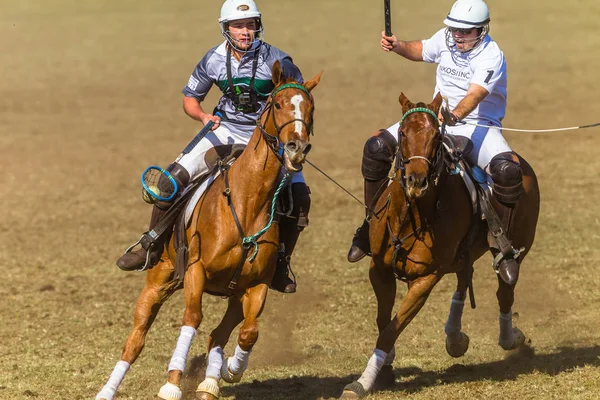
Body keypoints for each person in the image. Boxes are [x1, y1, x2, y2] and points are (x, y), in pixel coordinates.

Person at [116, 0, 310, 293]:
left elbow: (298, 99)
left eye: (249, 25)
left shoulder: (279, 60)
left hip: (266, 139)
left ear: (257, 26)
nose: (245, 31)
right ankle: (151, 246)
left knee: (299, 196)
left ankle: (280, 263)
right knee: (169, 184)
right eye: (238, 26)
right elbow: (190, 99)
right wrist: (203, 115)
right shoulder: (213, 59)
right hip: (223, 131)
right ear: (226, 29)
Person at [347, 0, 523, 285]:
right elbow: (422, 49)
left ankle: (502, 247)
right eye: (455, 30)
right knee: (376, 148)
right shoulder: (446, 39)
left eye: (465, 32)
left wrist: (454, 114)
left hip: (478, 126)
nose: (458, 36)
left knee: (507, 172)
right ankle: (369, 228)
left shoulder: (492, 55)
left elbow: (476, 94)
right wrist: (398, 46)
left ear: (482, 30)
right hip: (434, 122)